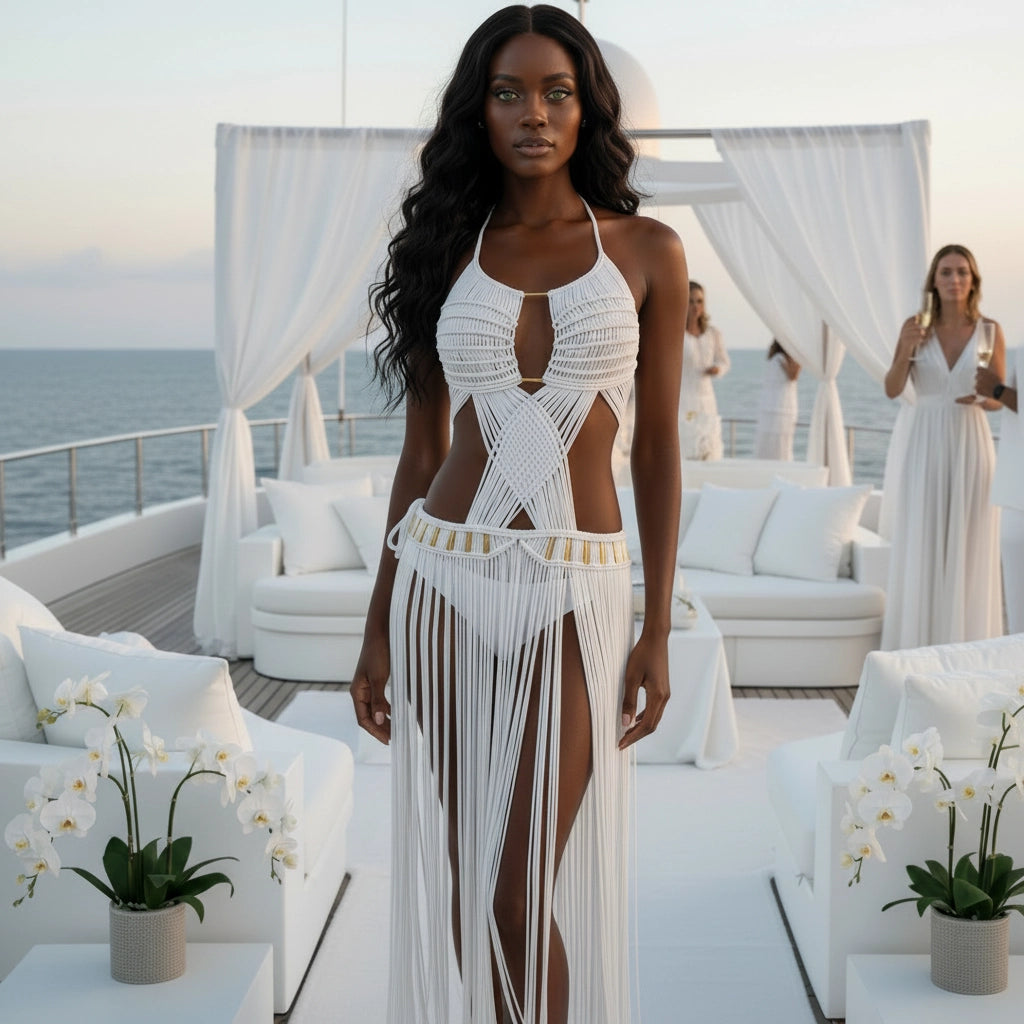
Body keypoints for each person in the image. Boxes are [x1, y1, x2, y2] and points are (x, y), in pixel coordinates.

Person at [349, 7, 686, 1023]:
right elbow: (422, 454)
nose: (533, 113)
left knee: (515, 876)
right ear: (478, 112)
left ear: (587, 109)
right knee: (471, 871)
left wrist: (658, 625)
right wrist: (375, 625)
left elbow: (660, 450)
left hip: (575, 583)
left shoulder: (647, 250)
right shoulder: (444, 249)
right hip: (442, 574)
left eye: (556, 92)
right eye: (508, 93)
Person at [881, 244, 1004, 650]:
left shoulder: (990, 331)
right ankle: (917, 651)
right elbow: (893, 388)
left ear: (974, 281)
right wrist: (906, 350)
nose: (954, 280)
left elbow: (995, 397)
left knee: (968, 548)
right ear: (934, 279)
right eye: (947, 272)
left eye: (962, 273)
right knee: (923, 543)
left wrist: (985, 398)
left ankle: (965, 653)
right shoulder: (915, 327)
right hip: (926, 441)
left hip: (970, 441)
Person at [977, 346, 1023, 632]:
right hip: (1015, 491)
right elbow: (1005, 400)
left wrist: (996, 391)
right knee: (1017, 609)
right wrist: (989, 395)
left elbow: (1004, 395)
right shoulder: (1019, 351)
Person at [678, 280, 729, 460]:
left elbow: (724, 362)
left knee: (707, 445)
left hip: (706, 396)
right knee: (685, 444)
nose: (695, 306)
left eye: (699, 301)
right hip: (683, 396)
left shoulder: (713, 333)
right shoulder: (677, 333)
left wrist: (718, 369)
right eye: (691, 301)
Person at [754, 339, 801, 460]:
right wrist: (800, 356)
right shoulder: (782, 357)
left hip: (770, 406)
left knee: (770, 444)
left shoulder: (773, 358)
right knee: (781, 444)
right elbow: (793, 376)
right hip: (780, 408)